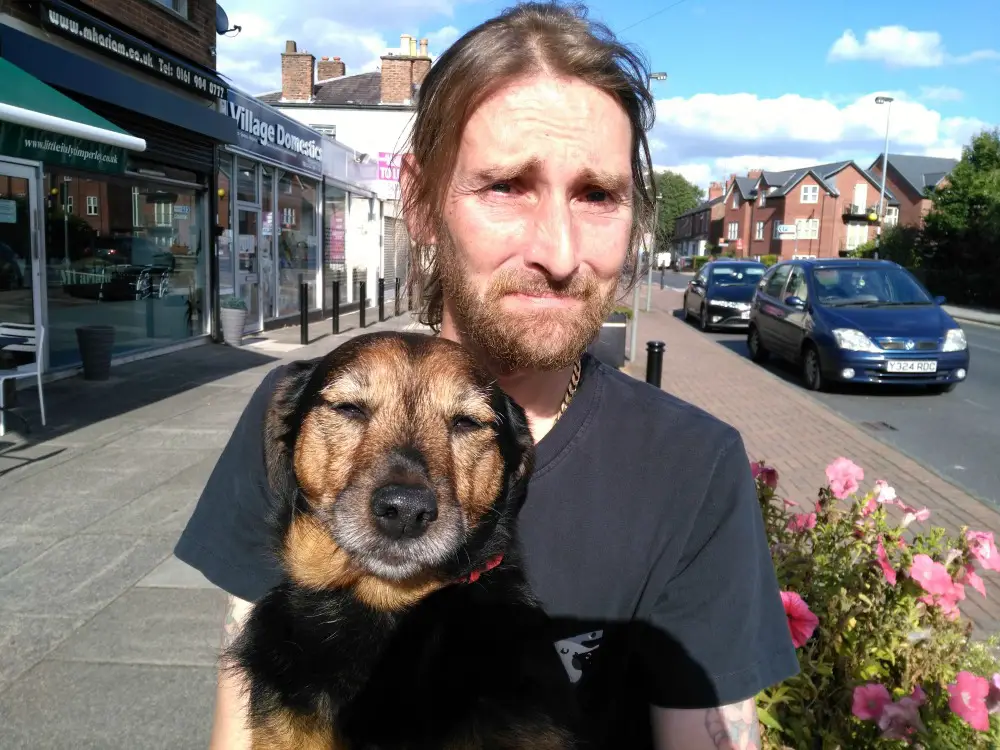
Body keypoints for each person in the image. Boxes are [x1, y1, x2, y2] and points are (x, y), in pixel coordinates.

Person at [174, 2, 799, 748]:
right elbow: (244, 717)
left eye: (598, 195)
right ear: (421, 203)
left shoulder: (693, 470)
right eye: (507, 185)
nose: (560, 253)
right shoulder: (298, 410)